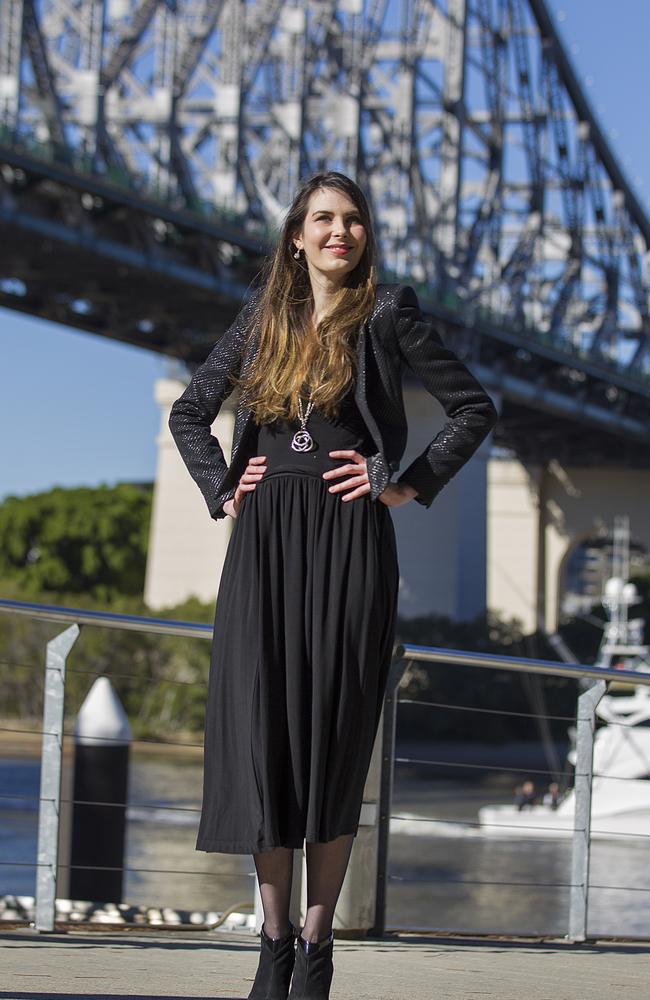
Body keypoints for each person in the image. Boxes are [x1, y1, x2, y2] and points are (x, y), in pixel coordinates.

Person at [168, 170, 498, 1000]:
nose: (338, 232)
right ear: (296, 236)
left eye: (352, 219)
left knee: (333, 735)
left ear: (363, 235)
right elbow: (189, 410)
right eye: (322, 219)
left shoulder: (387, 311)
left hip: (350, 541)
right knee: (264, 735)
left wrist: (402, 481)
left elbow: (473, 408)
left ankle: (318, 942)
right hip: (266, 544)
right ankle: (271, 939)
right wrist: (222, 484)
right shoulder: (263, 317)